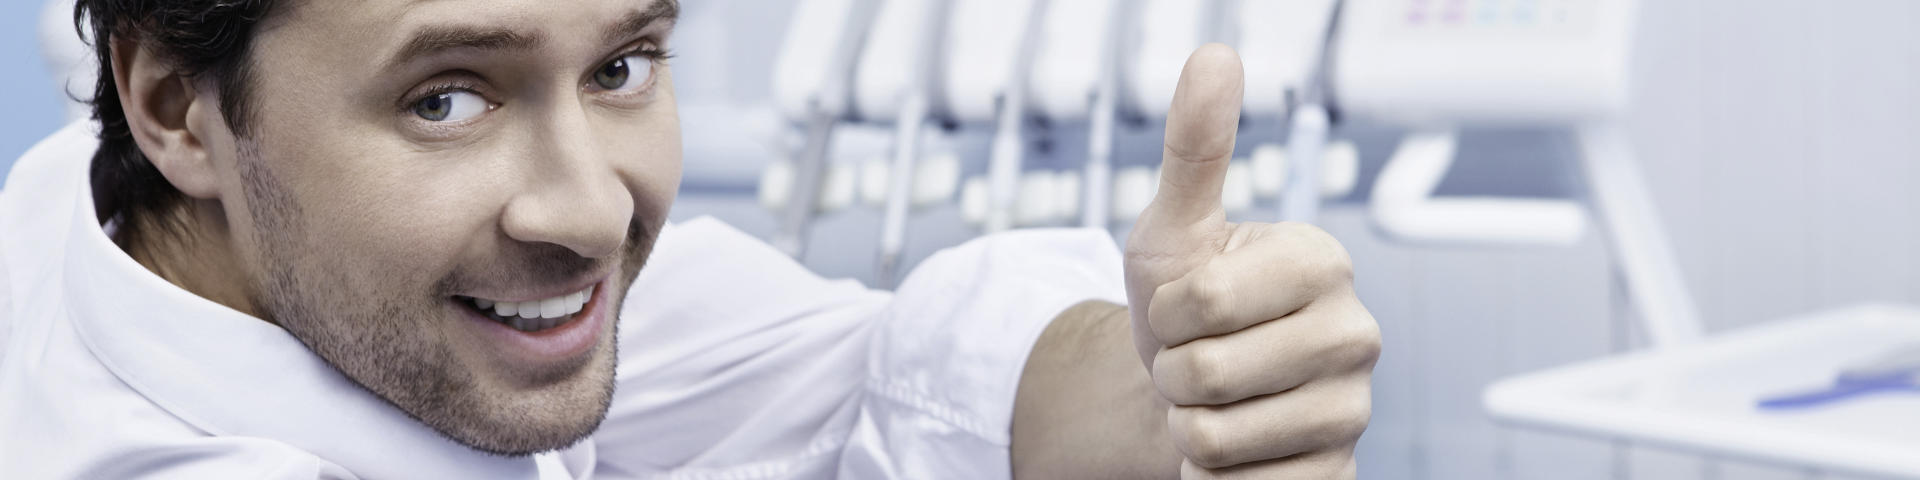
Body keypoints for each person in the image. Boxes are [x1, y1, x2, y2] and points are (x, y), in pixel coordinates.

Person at [0, 0, 1380, 478]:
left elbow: (878, 375)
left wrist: (1168, 398)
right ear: (175, 102)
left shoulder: (132, 209)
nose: (590, 208)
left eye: (620, 67)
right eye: (447, 96)